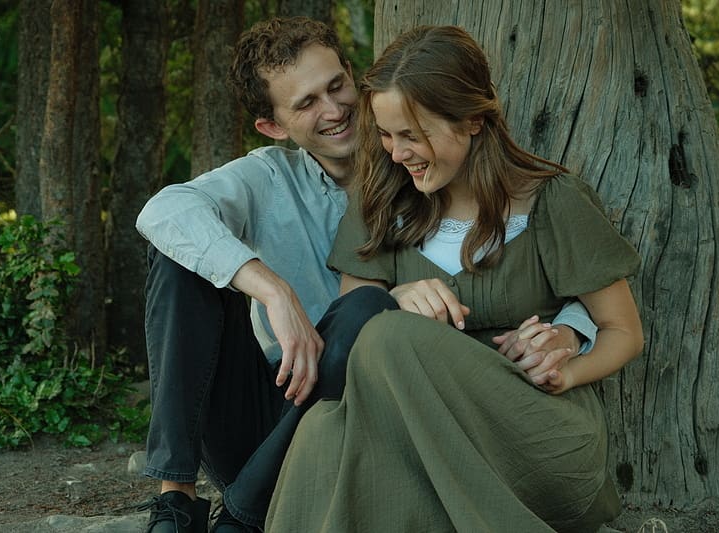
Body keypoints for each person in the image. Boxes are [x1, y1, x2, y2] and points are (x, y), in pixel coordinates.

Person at [135, 17, 597, 533]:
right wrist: (274, 290)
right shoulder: (267, 177)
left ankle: (242, 519)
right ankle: (175, 500)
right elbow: (163, 213)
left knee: (365, 310)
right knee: (178, 257)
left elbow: (542, 266)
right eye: (306, 103)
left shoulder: (430, 167)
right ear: (274, 127)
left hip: (367, 418)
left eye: (336, 86)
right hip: (274, 412)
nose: (334, 111)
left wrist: (573, 328)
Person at [265, 25, 644, 533]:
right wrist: (396, 295)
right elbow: (354, 338)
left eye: (412, 136)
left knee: (390, 336)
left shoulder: (553, 201)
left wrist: (566, 368)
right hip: (415, 436)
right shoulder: (381, 200)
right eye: (385, 134)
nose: (397, 154)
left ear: (471, 120)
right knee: (321, 430)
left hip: (535, 432)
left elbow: (625, 332)